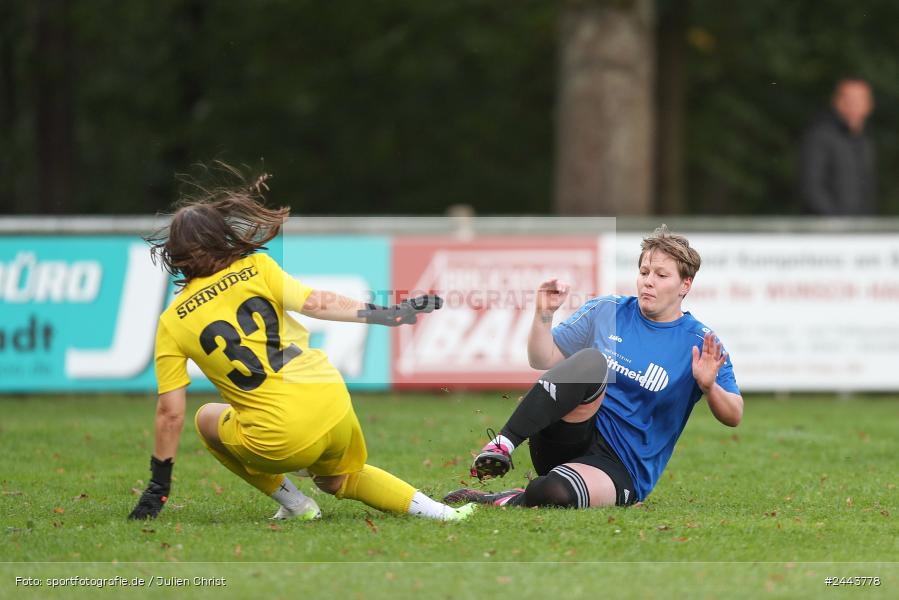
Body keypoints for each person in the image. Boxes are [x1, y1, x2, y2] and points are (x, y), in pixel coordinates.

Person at [129, 166, 475, 522]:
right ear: (223, 236)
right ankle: (443, 514)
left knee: (206, 419)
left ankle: (296, 505)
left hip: (280, 438)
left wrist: (159, 484)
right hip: (333, 404)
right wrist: (385, 313)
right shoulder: (257, 268)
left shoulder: (172, 321)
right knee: (340, 479)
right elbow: (316, 303)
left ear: (175, 253)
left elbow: (171, 413)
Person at [445, 225, 743, 509]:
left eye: (661, 275)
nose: (648, 281)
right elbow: (542, 359)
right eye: (644, 272)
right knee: (592, 362)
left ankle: (503, 498)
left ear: (685, 285)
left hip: (621, 467)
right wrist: (543, 315)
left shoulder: (699, 342)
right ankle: (502, 444)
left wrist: (709, 387)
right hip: (567, 436)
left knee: (550, 493)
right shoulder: (607, 310)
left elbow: (734, 415)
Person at [799, 77, 877, 215]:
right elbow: (811, 187)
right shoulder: (819, 137)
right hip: (827, 226)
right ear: (836, 102)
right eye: (848, 99)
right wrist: (835, 221)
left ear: (869, 105)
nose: (853, 105)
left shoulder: (865, 142)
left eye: (859, 100)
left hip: (860, 225)